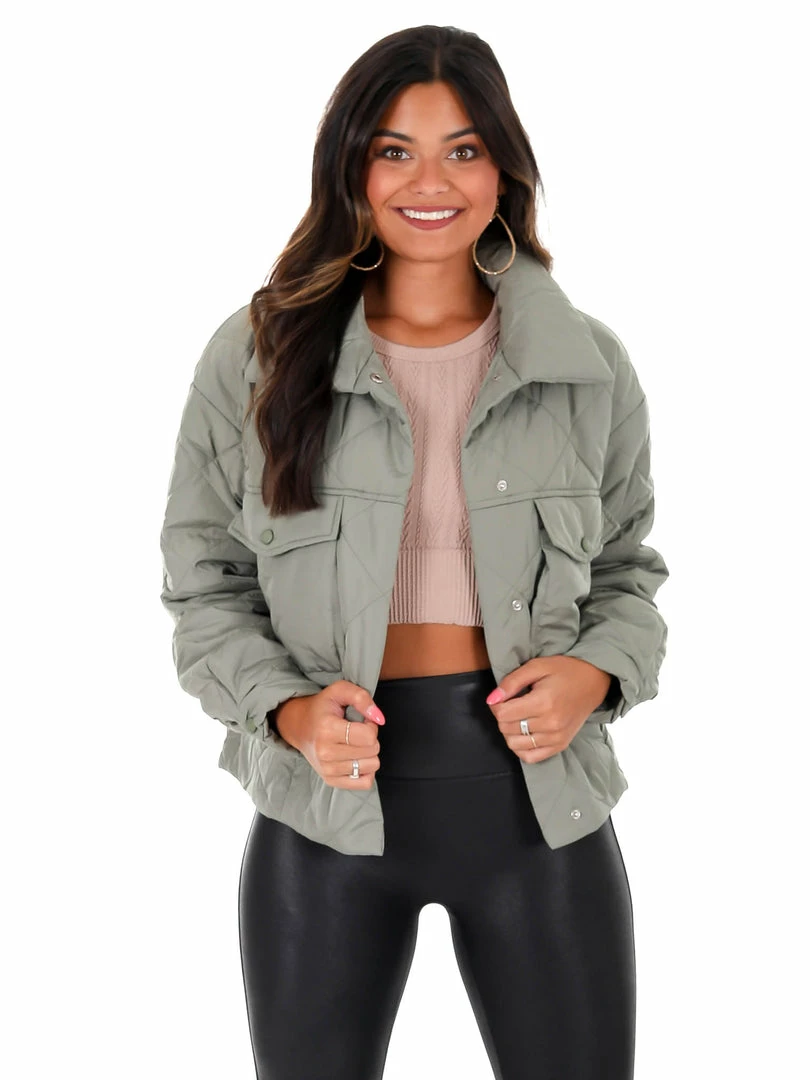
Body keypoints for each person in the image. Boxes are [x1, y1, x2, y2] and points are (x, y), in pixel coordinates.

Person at [159, 24, 669, 1080]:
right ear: (350, 166)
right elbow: (204, 585)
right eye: (394, 150)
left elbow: (629, 571)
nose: (429, 181)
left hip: (539, 808)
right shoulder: (257, 356)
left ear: (504, 169)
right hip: (324, 812)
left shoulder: (587, 366)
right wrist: (289, 712)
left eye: (463, 149)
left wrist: (594, 675)